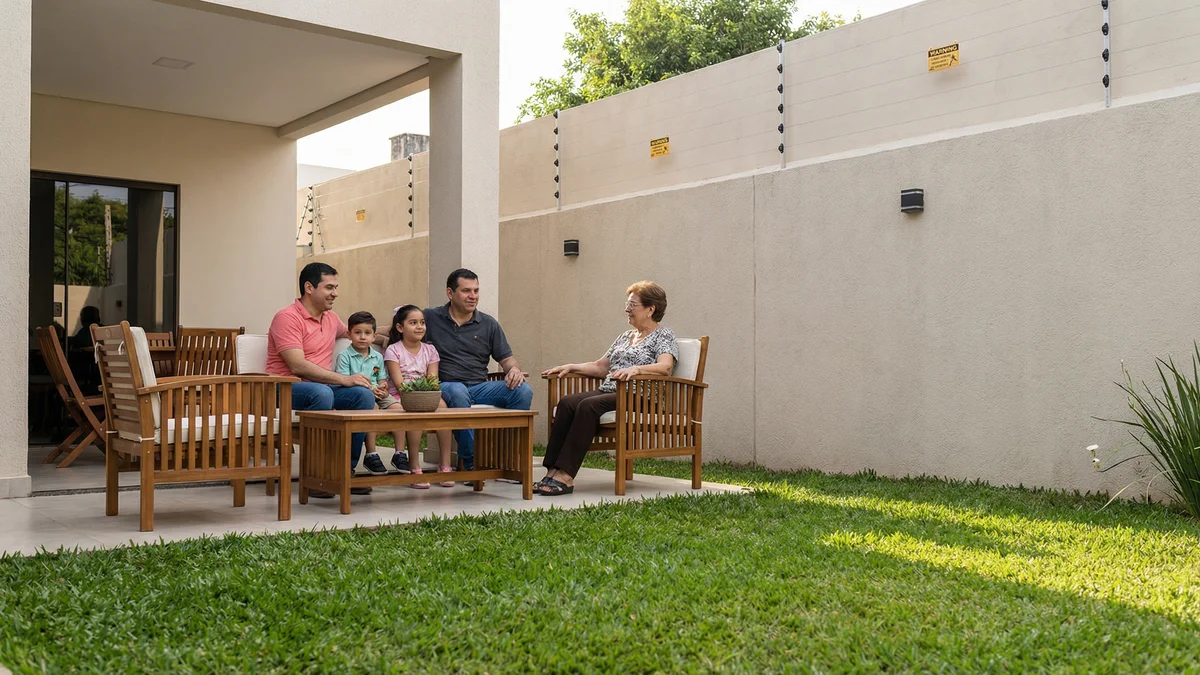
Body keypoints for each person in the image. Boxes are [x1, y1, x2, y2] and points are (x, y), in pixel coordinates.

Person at [537, 281, 679, 496]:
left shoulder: (663, 335)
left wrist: (636, 369)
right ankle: (552, 471)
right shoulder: (625, 337)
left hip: (639, 396)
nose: (626, 309)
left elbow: (665, 366)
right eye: (627, 304)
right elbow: (601, 367)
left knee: (588, 406)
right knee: (567, 403)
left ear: (650, 309)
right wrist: (571, 366)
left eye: (632, 305)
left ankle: (566, 476)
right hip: (611, 391)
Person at [267, 262, 378, 497]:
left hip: (320, 388)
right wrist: (344, 379)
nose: (335, 293)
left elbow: (356, 332)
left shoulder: (330, 318)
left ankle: (344, 472)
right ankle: (317, 475)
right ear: (309, 287)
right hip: (283, 387)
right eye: (329, 287)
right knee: (322, 393)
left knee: (363, 395)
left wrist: (398, 333)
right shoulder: (287, 318)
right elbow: (297, 366)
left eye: (335, 287)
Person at [423, 269, 533, 472]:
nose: (473, 296)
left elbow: (507, 359)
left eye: (476, 290)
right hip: (446, 386)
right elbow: (400, 326)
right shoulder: (430, 318)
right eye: (466, 291)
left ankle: (508, 459)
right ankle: (473, 462)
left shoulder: (488, 324)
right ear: (450, 293)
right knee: (457, 391)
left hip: (479, 387)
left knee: (523, 390)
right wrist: (374, 337)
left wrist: (514, 370)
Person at [384, 305, 455, 488]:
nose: (419, 327)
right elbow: (399, 384)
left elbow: (432, 380)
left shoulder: (430, 350)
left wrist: (426, 396)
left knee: (443, 407)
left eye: (422, 323)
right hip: (402, 396)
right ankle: (414, 466)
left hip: (426, 394)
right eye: (413, 323)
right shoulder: (393, 350)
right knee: (414, 411)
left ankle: (445, 464)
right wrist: (416, 397)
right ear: (400, 327)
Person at [333, 311, 396, 477]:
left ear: (374, 336)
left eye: (367, 333)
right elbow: (345, 381)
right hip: (358, 394)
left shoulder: (377, 357)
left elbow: (381, 379)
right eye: (357, 332)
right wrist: (370, 390)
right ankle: (371, 453)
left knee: (399, 409)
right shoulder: (345, 356)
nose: (362, 337)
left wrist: (383, 387)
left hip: (378, 393)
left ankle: (400, 453)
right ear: (349, 334)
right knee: (372, 407)